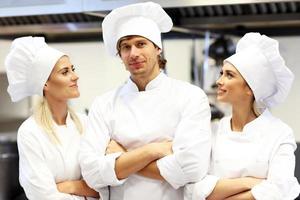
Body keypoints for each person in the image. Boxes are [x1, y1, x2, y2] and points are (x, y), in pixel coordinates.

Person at [79, 2, 212, 200]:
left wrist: (123, 157)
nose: (133, 53)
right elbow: (91, 173)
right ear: (120, 56)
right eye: (125, 47)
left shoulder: (190, 96)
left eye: (141, 44)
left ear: (157, 48)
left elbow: (192, 168)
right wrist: (154, 150)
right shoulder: (104, 104)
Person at [184, 32, 300, 200]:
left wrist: (216, 192)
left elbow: (279, 190)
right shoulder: (213, 130)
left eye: (229, 75)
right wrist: (249, 183)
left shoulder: (279, 134)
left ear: (250, 88)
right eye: (221, 73)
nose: (219, 81)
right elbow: (192, 188)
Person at [5, 36, 104, 200]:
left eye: (73, 69)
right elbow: (43, 196)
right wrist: (86, 192)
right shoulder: (30, 132)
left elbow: (107, 186)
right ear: (45, 83)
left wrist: (71, 186)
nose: (75, 76)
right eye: (65, 72)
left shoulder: (86, 123)